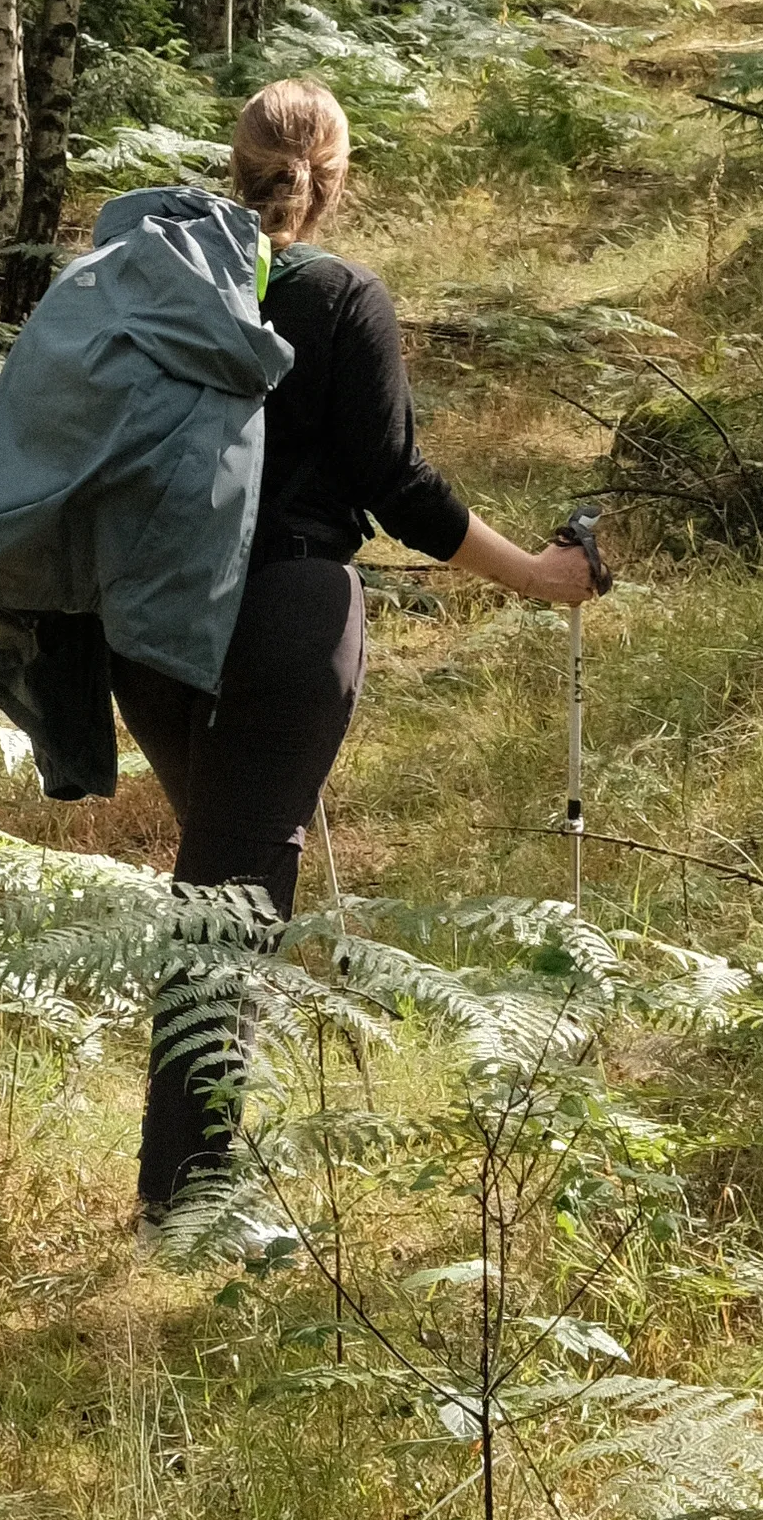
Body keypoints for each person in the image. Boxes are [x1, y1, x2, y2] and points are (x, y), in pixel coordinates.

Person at [116, 74, 605, 1221]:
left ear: (232, 168)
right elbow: (393, 485)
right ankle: (182, 1202)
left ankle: (195, 1172)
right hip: (284, 612)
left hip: (141, 617)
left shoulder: (149, 285)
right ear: (331, 184)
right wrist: (536, 576)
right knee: (227, 899)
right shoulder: (341, 297)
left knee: (219, 874)